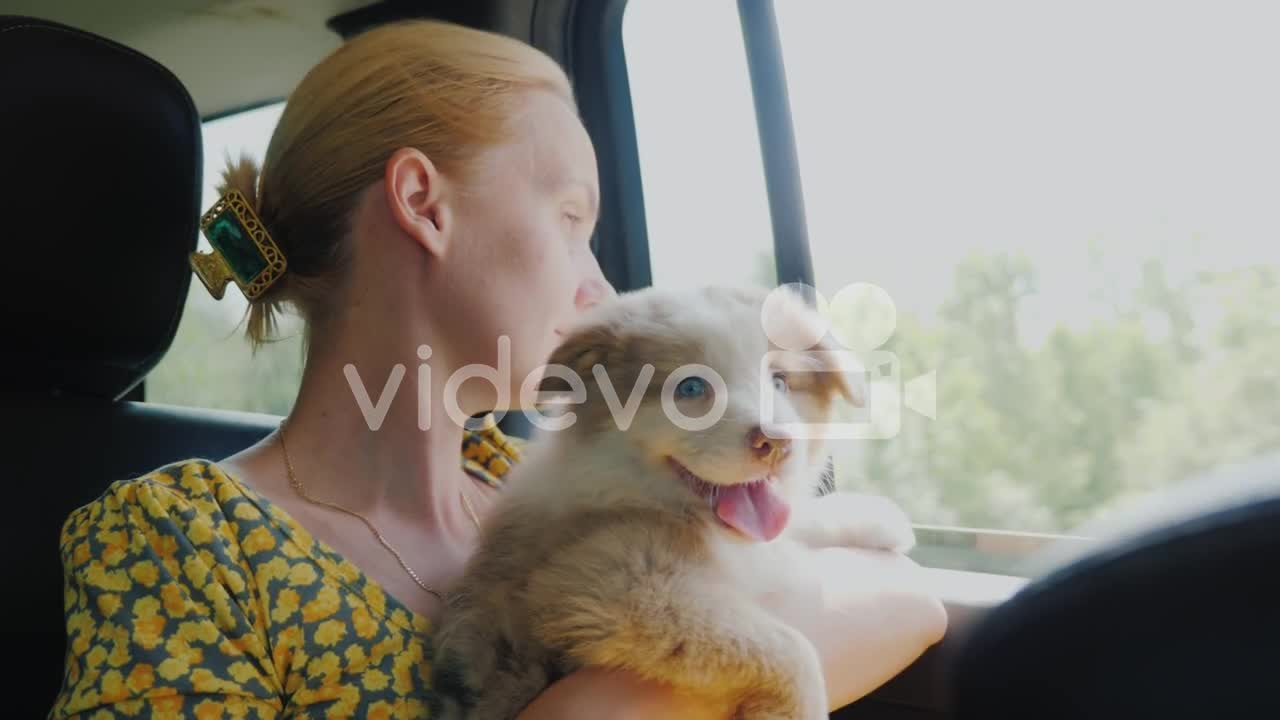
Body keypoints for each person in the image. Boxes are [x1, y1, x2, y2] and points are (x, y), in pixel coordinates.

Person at [49, 19, 946, 719]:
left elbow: (908, 597)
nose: (602, 286)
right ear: (422, 206)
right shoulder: (176, 543)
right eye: (571, 221)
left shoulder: (544, 483)